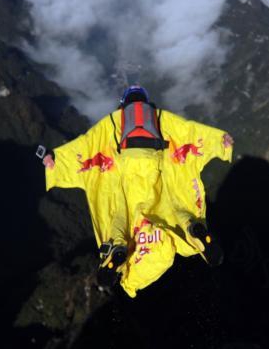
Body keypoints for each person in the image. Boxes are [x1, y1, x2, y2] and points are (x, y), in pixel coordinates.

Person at [42, 85, 234, 297]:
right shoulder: (160, 119)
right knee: (174, 210)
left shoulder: (114, 123)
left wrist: (55, 162)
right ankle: (193, 229)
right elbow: (189, 131)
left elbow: (86, 145)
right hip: (157, 172)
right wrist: (219, 141)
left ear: (123, 105)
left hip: (126, 179)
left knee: (119, 219)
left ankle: (117, 247)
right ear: (146, 102)